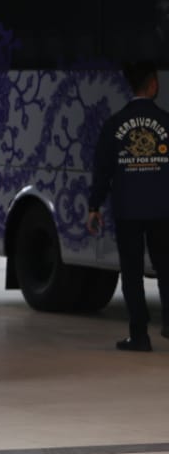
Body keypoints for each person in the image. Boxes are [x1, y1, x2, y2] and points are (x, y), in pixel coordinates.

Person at [87, 59, 169, 352]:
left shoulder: (114, 124)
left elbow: (103, 170)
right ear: (153, 84)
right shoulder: (166, 122)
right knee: (166, 267)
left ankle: (139, 336)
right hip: (163, 209)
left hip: (128, 210)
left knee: (132, 274)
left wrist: (94, 206)